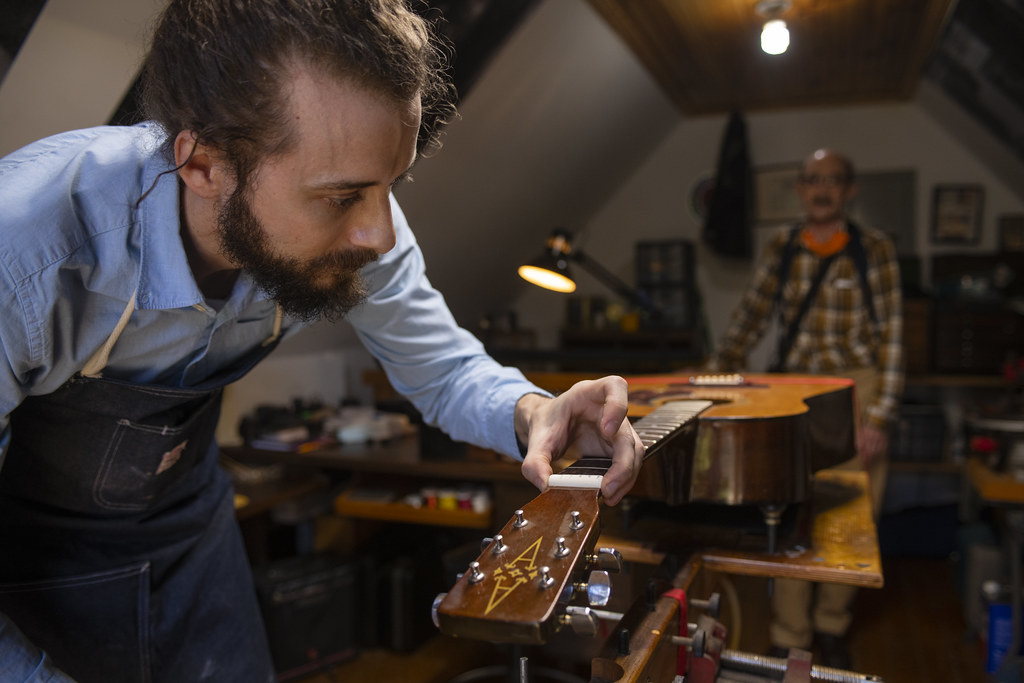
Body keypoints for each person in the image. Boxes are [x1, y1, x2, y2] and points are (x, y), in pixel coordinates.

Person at [0, 2, 646, 681]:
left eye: (388, 188)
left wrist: (536, 412)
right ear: (204, 166)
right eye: (342, 199)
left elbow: (443, 369)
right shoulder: (27, 251)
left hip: (190, 541)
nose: (381, 236)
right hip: (29, 566)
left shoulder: (356, 217)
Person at [707, 148, 904, 669]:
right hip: (794, 387)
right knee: (789, 510)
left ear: (849, 189)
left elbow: (893, 337)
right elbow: (749, 317)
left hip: (854, 387)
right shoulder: (783, 247)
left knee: (851, 519)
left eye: (832, 180)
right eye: (812, 180)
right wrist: (713, 373)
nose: (821, 189)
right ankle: (791, 633)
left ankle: (830, 626)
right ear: (800, 188)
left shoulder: (875, 250)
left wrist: (879, 415)